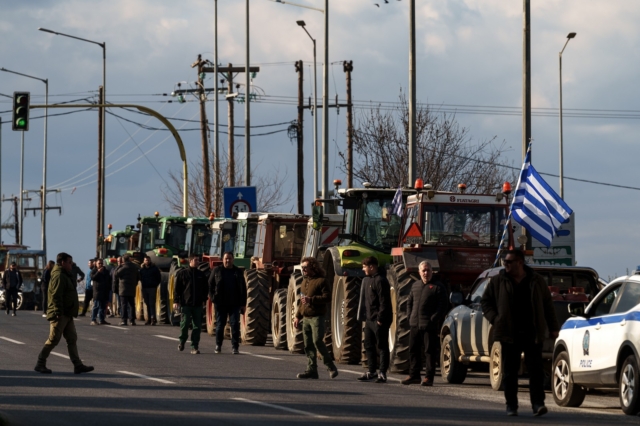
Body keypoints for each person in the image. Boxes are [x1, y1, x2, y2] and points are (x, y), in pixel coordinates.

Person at [481, 249, 559, 417]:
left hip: (532, 332)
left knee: (536, 371)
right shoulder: (498, 281)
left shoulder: (536, 281)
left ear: (520, 263)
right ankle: (511, 406)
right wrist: (496, 319)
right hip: (509, 333)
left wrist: (553, 328)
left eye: (509, 262)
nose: (506, 265)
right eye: (505, 262)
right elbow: (485, 302)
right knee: (510, 372)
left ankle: (538, 404)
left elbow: (548, 305)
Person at [34, 252, 94, 375]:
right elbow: (56, 296)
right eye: (69, 262)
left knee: (72, 338)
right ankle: (40, 363)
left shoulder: (64, 274)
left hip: (67, 313)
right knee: (53, 339)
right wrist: (58, 312)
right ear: (62, 263)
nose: (71, 265)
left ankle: (78, 365)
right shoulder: (59, 276)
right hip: (60, 314)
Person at [402, 261, 448, 387]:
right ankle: (414, 375)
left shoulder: (438, 287)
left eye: (428, 270)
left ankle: (429, 377)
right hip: (415, 324)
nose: (426, 273)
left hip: (429, 326)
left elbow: (442, 306)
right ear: (419, 272)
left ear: (432, 271)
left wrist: (433, 319)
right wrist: (410, 316)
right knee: (413, 350)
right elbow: (409, 302)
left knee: (429, 352)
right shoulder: (415, 285)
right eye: (424, 271)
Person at [294, 257, 338, 379]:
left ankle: (330, 366)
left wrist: (311, 300)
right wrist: (297, 316)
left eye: (305, 267)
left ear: (313, 267)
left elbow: (327, 297)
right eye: (302, 268)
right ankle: (311, 370)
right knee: (308, 345)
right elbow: (301, 301)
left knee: (317, 341)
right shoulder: (304, 282)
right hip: (306, 318)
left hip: (317, 317)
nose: (303, 270)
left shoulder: (322, 281)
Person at [357, 256, 392, 383]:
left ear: (372, 267)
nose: (363, 269)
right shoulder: (366, 280)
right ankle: (371, 371)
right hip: (369, 319)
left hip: (379, 320)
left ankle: (382, 372)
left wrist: (380, 319)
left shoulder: (381, 281)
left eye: (364, 267)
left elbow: (384, 302)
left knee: (382, 346)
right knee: (368, 345)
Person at [209, 252, 246, 354]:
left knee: (234, 325)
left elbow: (243, 289)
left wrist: (243, 304)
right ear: (223, 259)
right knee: (220, 325)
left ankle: (235, 347)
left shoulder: (238, 272)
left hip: (234, 304)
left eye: (229, 259)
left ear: (233, 259)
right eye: (226, 259)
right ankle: (218, 345)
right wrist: (213, 298)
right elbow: (210, 285)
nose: (227, 261)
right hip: (221, 303)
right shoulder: (217, 271)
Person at [174, 255, 208, 354]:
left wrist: (204, 299)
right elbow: (177, 289)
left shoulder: (201, 275)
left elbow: (205, 288)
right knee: (184, 324)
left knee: (197, 326)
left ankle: (194, 347)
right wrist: (176, 301)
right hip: (186, 304)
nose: (198, 262)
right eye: (196, 260)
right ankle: (182, 341)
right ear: (190, 261)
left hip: (197, 305)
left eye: (198, 260)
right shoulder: (183, 274)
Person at [114, 254, 140, 326]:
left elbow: (116, 274)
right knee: (132, 305)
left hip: (123, 289)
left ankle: (124, 320)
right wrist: (135, 283)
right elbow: (138, 277)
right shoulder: (134, 267)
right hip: (132, 288)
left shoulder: (124, 267)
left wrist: (119, 266)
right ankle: (132, 320)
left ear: (123, 260)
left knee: (124, 305)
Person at [139, 255, 161, 325]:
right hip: (144, 288)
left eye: (148, 260)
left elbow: (159, 278)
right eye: (146, 260)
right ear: (144, 261)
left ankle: (153, 319)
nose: (147, 261)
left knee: (152, 304)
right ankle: (148, 319)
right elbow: (140, 278)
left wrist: (155, 284)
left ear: (150, 260)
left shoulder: (154, 269)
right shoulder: (142, 270)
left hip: (152, 288)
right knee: (147, 303)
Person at [90, 259, 111, 325]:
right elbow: (93, 278)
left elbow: (109, 280)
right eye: (99, 263)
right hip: (97, 291)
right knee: (96, 306)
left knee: (102, 307)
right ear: (96, 264)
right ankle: (93, 319)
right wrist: (98, 272)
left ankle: (101, 320)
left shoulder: (106, 271)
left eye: (101, 263)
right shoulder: (94, 271)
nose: (100, 264)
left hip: (104, 291)